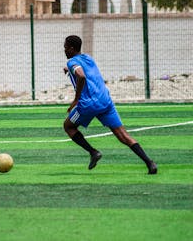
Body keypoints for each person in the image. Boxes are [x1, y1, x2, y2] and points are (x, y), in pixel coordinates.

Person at [63, 35, 157, 174]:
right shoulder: (88, 58)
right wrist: (68, 71)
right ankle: (149, 163)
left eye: (65, 47)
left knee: (69, 126)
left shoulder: (72, 62)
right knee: (123, 135)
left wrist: (76, 100)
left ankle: (93, 152)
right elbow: (84, 73)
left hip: (88, 104)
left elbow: (81, 75)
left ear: (71, 48)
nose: (64, 50)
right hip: (105, 100)